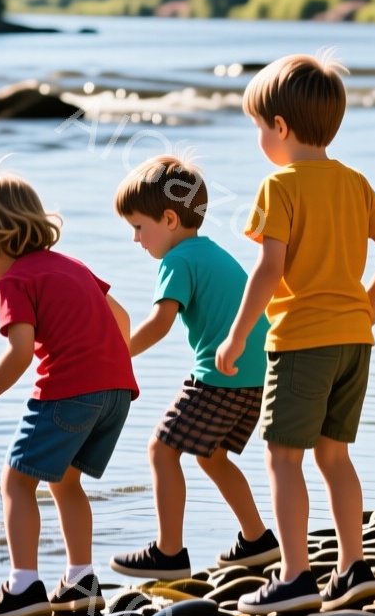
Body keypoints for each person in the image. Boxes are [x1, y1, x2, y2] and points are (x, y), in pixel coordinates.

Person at [217, 53, 375, 615]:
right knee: (334, 455)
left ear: (280, 127)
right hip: (355, 340)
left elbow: (269, 269)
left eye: (258, 126)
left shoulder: (280, 186)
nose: (259, 137)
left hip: (302, 340)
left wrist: (235, 337)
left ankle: (296, 574)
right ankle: (353, 565)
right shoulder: (354, 183)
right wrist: (367, 302)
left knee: (283, 458)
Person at [0, 172, 138, 616]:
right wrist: (105, 366)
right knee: (65, 482)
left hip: (69, 392)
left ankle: (23, 585)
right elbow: (122, 317)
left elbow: (18, 352)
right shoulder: (70, 264)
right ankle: (81, 581)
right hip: (117, 392)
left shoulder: (13, 280)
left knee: (16, 481)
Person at [109, 155, 279, 581]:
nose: (135, 239)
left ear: (168, 218)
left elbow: (160, 324)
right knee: (212, 455)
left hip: (222, 375)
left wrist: (114, 354)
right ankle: (257, 541)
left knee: (161, 449)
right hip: (258, 373)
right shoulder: (210, 252)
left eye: (138, 227)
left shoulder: (177, 261)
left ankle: (169, 553)